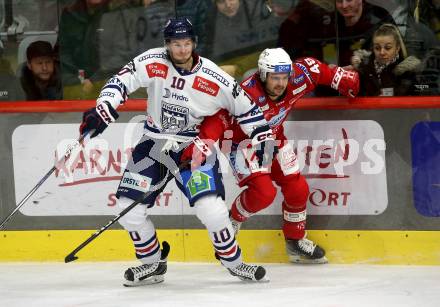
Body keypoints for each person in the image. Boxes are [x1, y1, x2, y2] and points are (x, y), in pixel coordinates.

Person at [79, 17, 274, 286]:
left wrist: (263, 140)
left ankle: (235, 263)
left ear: (194, 43)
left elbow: (247, 109)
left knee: (213, 210)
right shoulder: (153, 60)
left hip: (193, 146)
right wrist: (104, 106)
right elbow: (122, 80)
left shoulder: (214, 77)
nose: (181, 50)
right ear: (167, 44)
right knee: (129, 208)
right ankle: (152, 263)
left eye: (186, 43)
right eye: (175, 44)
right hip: (154, 143)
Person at [182, 48, 360, 263]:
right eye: (275, 78)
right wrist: (204, 143)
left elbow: (318, 70)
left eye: (284, 77)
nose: (281, 83)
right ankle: (233, 219)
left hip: (274, 138)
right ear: (263, 75)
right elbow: (219, 118)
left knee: (298, 188)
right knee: (264, 193)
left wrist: (346, 80)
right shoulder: (244, 94)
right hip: (243, 144)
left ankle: (295, 241)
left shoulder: (299, 77)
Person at [352, 23, 424, 96]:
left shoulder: (408, 73)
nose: (382, 52)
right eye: (377, 48)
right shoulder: (364, 69)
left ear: (397, 48)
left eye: (388, 48)